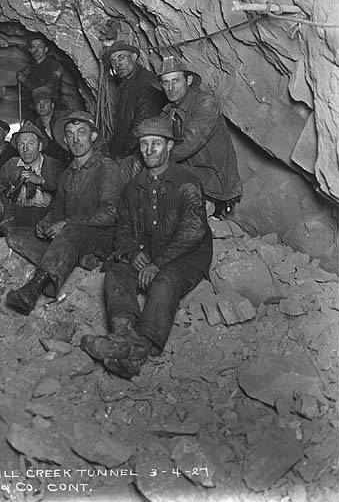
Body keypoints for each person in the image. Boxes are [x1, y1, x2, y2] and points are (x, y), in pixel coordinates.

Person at [80, 116, 213, 378]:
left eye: (156, 144)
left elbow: (193, 231)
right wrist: (134, 253)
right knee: (117, 272)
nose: (149, 150)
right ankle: (122, 334)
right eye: (144, 144)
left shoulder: (187, 182)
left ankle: (140, 346)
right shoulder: (133, 187)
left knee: (165, 280)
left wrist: (157, 263)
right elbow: (124, 227)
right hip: (148, 252)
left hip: (186, 257)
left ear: (170, 147)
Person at [6, 112, 122, 315]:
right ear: (65, 140)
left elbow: (111, 213)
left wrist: (67, 223)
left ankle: (33, 290)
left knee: (70, 232)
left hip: (100, 237)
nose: (75, 139)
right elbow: (57, 209)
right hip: (70, 237)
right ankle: (77, 261)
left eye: (81, 132)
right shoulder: (67, 174)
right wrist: (46, 222)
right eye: (70, 134)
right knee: (16, 235)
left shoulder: (107, 168)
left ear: (93, 136)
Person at [156, 57, 242, 219]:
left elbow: (188, 142)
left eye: (175, 80)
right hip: (189, 173)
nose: (171, 87)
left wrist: (155, 160)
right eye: (166, 82)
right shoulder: (168, 111)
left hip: (214, 181)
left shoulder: (205, 103)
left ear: (188, 80)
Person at [0, 121, 65, 233]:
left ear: (40, 146)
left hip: (45, 217)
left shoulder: (54, 165)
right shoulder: (13, 163)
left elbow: (65, 189)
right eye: (21, 144)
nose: (25, 149)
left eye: (30, 144)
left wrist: (41, 181)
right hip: (18, 215)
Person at [104, 41, 166, 159]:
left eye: (121, 57)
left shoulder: (147, 82)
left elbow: (140, 125)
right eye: (113, 61)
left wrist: (119, 154)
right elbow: (121, 125)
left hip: (141, 154)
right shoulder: (122, 87)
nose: (117, 64)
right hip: (126, 152)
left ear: (133, 57)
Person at [16, 34, 64, 119]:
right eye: (33, 47)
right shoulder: (30, 69)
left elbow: (46, 91)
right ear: (30, 50)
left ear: (46, 49)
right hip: (34, 113)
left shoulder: (54, 66)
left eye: (39, 46)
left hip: (52, 113)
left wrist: (25, 81)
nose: (36, 50)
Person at [30, 86, 72, 164]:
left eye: (46, 102)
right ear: (35, 107)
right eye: (38, 103)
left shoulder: (65, 119)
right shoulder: (34, 129)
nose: (42, 106)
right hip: (51, 169)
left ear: (52, 105)